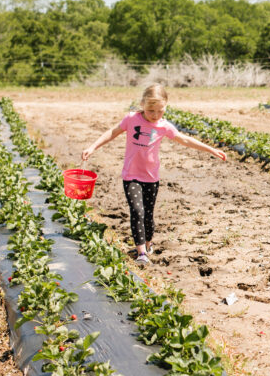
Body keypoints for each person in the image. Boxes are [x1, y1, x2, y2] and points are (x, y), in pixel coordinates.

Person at [81, 84, 226, 264]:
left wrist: (211, 150)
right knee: (137, 211)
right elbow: (113, 132)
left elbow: (185, 139)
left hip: (151, 178)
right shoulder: (131, 119)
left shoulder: (163, 126)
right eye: (151, 110)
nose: (155, 115)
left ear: (166, 106)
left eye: (160, 110)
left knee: (148, 215)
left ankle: (148, 245)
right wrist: (92, 147)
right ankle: (141, 252)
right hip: (131, 176)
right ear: (142, 104)